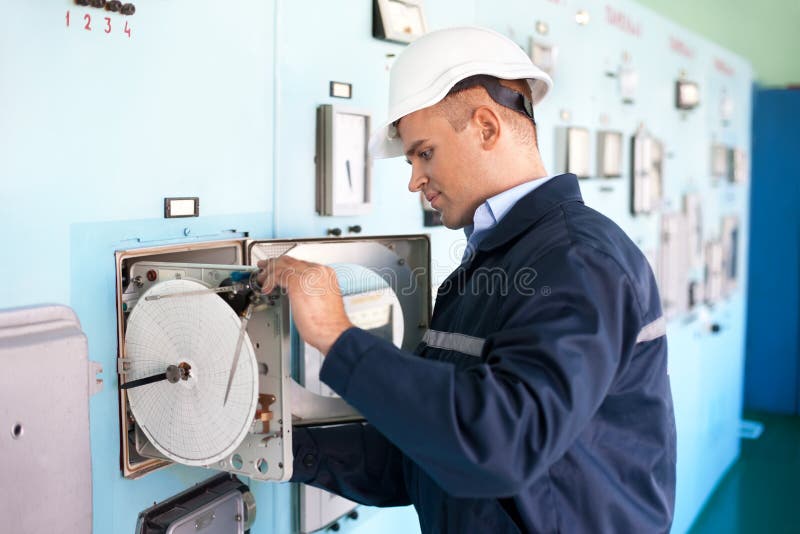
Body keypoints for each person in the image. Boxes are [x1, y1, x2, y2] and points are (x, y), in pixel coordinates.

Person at [257, 26, 676, 534]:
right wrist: (272, 443)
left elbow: (502, 445)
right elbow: (428, 450)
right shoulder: (491, 265)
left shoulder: (578, 261)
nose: (414, 180)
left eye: (425, 153)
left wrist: (336, 338)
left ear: (486, 127)